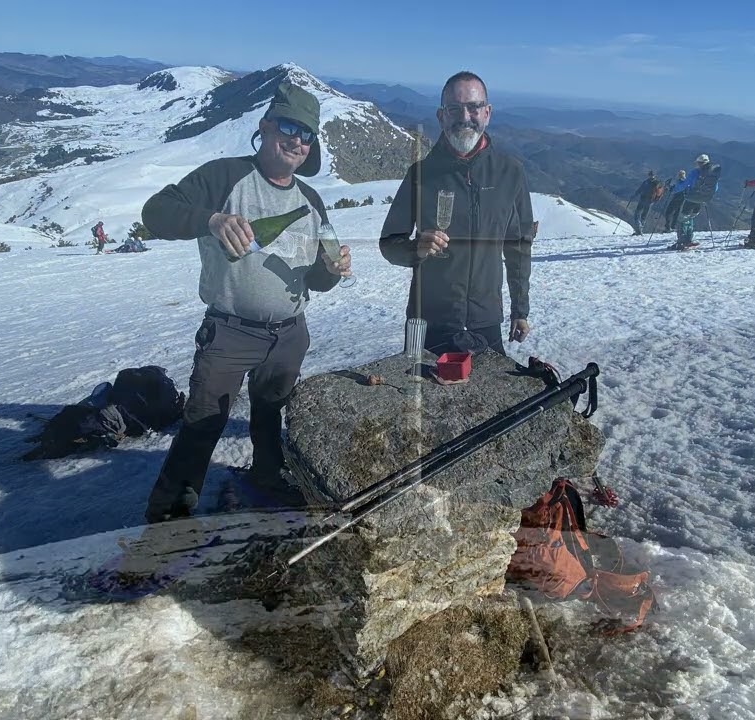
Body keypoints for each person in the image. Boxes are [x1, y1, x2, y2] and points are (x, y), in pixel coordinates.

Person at [138, 81, 351, 523]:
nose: (297, 140)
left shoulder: (311, 201)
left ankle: (268, 478)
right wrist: (210, 219)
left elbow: (316, 278)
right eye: (289, 126)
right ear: (266, 126)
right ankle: (168, 515)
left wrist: (329, 273)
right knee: (203, 423)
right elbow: (155, 212)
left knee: (271, 417)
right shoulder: (225, 176)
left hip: (290, 333)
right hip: (230, 331)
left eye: (306, 134)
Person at [379, 70, 534, 356]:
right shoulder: (420, 175)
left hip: (485, 320)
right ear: (441, 116)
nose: (465, 117)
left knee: (490, 400)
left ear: (487, 113)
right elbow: (389, 244)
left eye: (473, 107)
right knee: (416, 398)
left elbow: (519, 247)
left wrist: (520, 309)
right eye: (454, 109)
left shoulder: (510, 173)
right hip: (427, 321)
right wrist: (417, 249)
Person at [667, 154, 720, 251]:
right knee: (691, 217)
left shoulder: (695, 173)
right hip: (703, 199)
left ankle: (682, 241)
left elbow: (683, 185)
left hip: (691, 198)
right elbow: (716, 188)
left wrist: (673, 188)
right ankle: (689, 239)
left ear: (699, 163)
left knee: (682, 218)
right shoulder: (712, 173)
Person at [628, 171, 660, 235]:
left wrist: (634, 195)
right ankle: (640, 229)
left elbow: (640, 189)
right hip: (650, 201)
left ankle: (638, 229)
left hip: (643, 199)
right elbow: (659, 193)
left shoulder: (646, 182)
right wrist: (655, 200)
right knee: (644, 215)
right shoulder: (657, 183)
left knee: (637, 214)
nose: (650, 176)